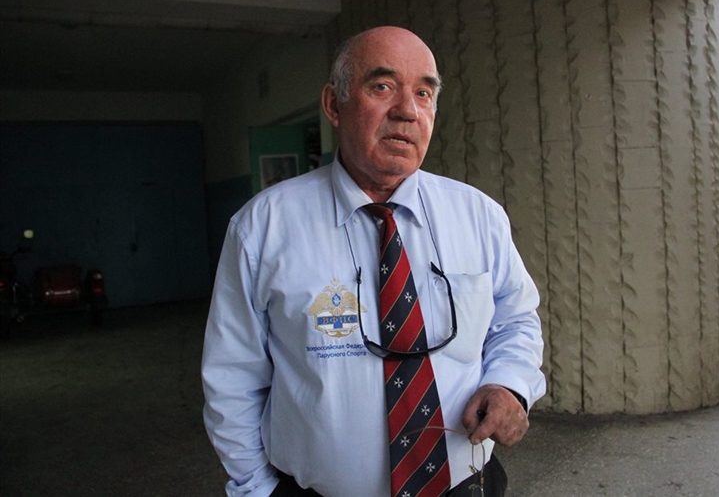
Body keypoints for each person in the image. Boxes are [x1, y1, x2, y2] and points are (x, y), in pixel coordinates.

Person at [202, 26, 546, 497]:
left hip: (466, 485)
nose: (407, 110)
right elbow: (232, 376)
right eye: (382, 87)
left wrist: (509, 384)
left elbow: (516, 319)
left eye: (424, 93)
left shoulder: (478, 216)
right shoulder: (262, 228)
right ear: (334, 104)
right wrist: (257, 490)